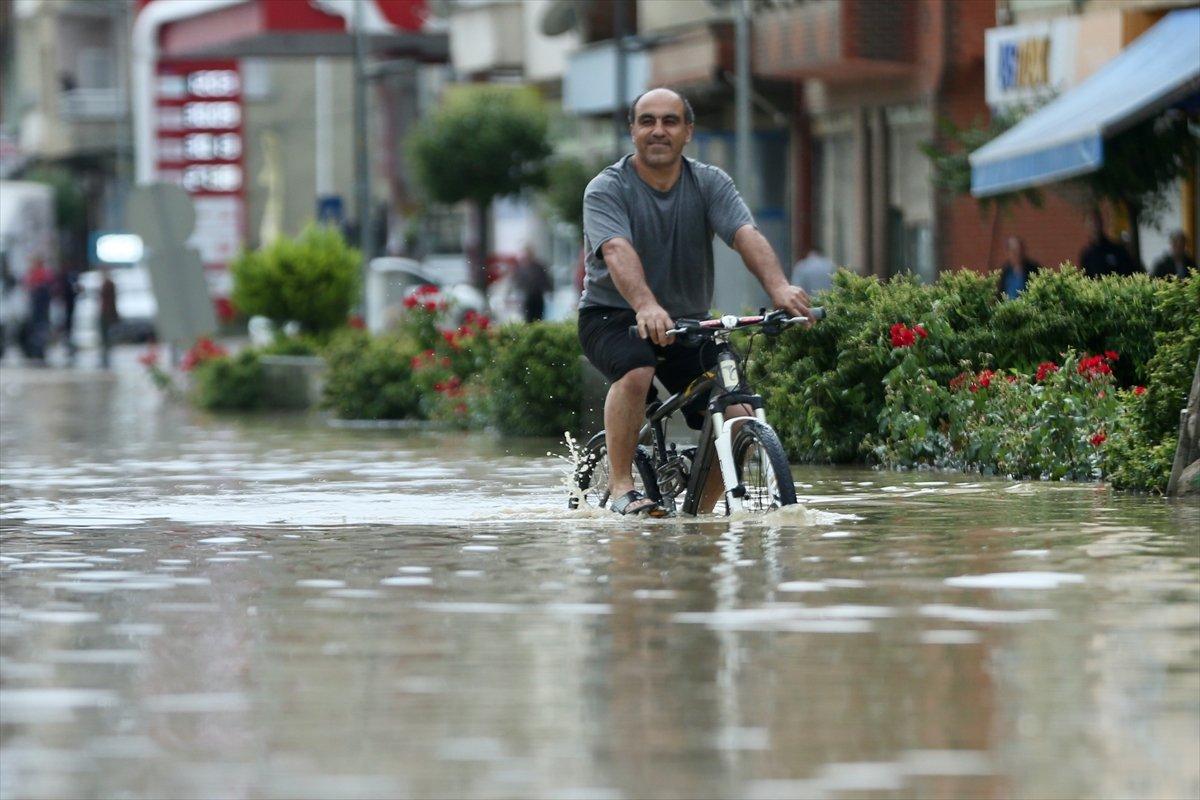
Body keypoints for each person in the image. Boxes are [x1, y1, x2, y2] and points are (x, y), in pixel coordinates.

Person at [578, 87, 811, 517]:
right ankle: (622, 485)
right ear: (632, 131)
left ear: (688, 131)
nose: (658, 130)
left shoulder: (709, 182)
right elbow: (616, 251)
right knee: (637, 369)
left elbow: (745, 235)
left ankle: (696, 517)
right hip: (612, 316)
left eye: (670, 121)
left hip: (688, 323)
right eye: (647, 121)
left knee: (737, 410)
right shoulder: (606, 188)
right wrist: (646, 304)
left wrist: (778, 287)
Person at [1079, 208, 1139, 278]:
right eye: (1091, 222)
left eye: (1096, 221)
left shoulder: (1117, 250)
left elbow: (1130, 273)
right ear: (1086, 226)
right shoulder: (1087, 256)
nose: (1094, 225)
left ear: (1101, 222)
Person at [514, 244, 552, 322]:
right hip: (527, 298)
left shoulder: (538, 267)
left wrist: (549, 290)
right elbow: (517, 283)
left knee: (538, 318)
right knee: (529, 319)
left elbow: (545, 280)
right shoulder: (521, 268)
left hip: (537, 297)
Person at [98, 268, 119, 369]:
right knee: (104, 335)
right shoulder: (106, 284)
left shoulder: (109, 284)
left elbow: (112, 300)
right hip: (105, 311)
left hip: (107, 312)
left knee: (106, 335)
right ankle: (105, 355)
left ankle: (106, 355)